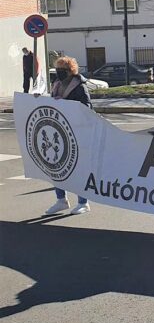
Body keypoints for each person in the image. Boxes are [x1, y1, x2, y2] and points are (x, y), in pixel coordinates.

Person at [44, 56, 92, 215]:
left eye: (61, 70)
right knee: (56, 166)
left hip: (77, 132)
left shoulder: (80, 86)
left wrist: (64, 104)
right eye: (57, 70)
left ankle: (83, 202)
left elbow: (86, 108)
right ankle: (61, 200)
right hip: (59, 132)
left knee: (78, 168)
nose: (58, 73)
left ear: (70, 71)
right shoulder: (56, 84)